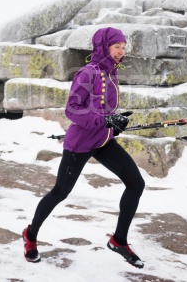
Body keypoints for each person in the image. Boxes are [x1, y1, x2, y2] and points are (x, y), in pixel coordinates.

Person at [22, 26, 146, 268]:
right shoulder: (87, 73)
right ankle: (31, 234)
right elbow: (72, 110)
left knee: (136, 184)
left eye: (123, 47)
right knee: (60, 193)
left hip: (103, 140)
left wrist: (115, 121)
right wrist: (104, 119)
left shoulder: (111, 73)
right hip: (79, 143)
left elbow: (103, 109)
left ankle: (119, 240)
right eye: (117, 47)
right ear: (104, 47)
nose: (121, 52)